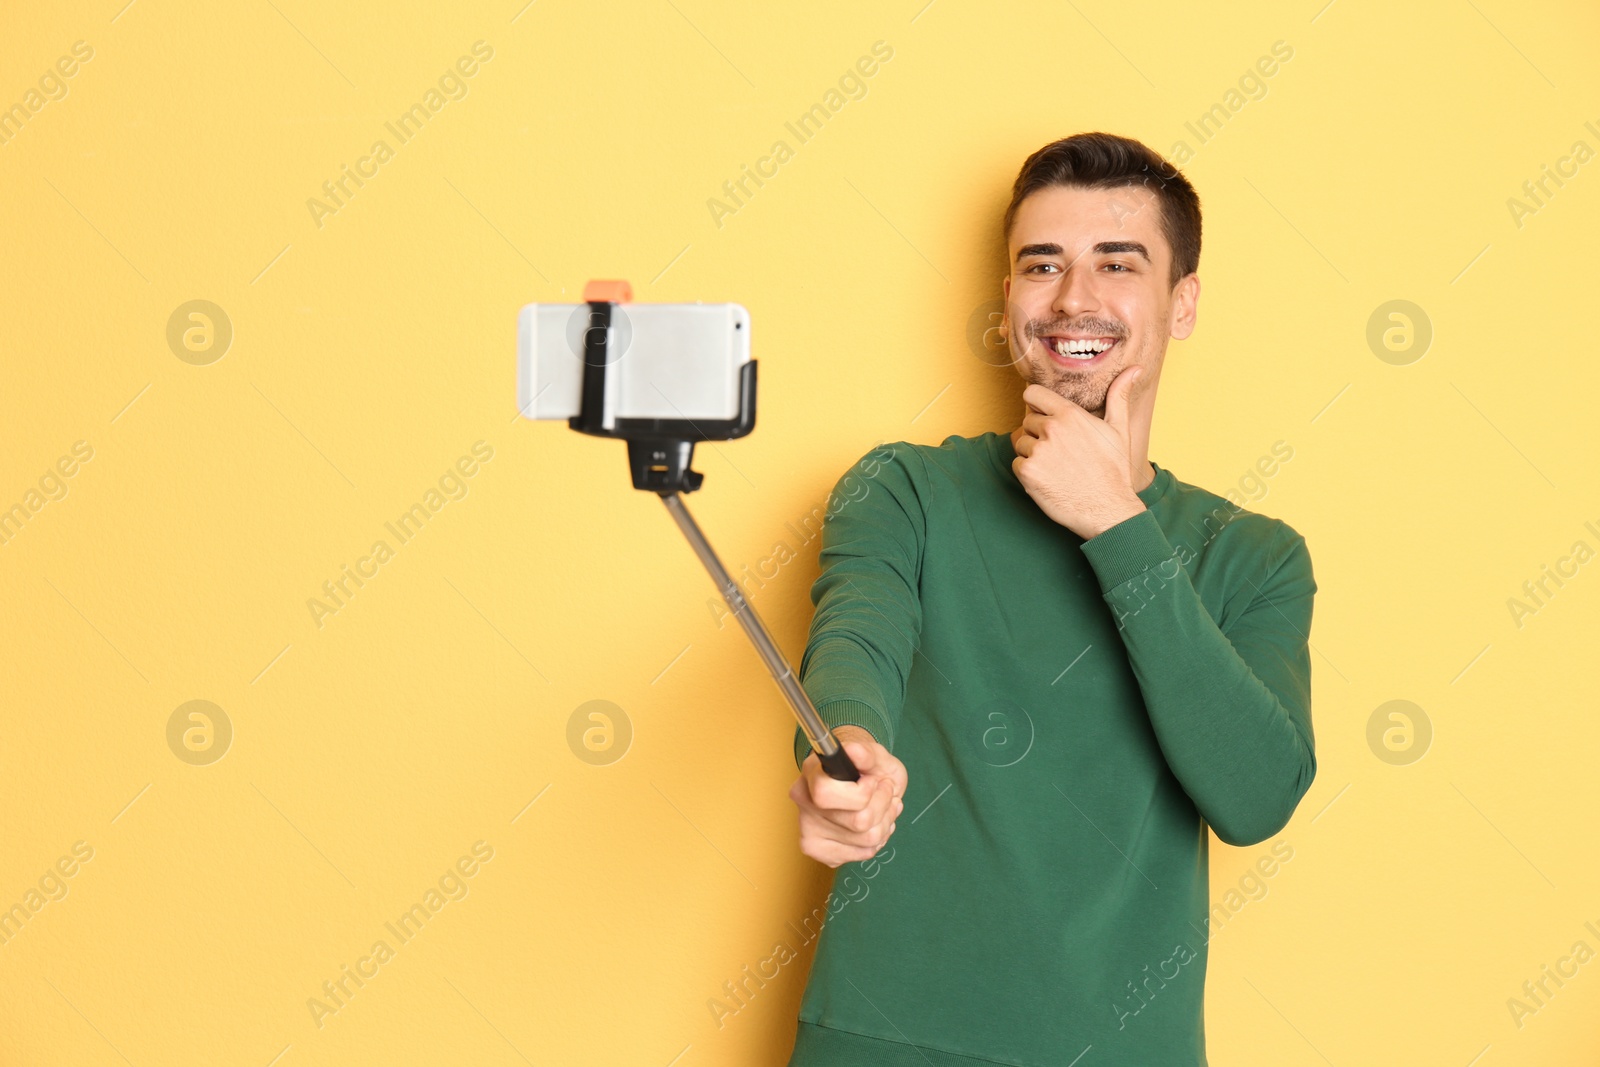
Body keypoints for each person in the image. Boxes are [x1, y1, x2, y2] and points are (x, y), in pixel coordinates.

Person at [785, 131, 1318, 1066]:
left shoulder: (1255, 558)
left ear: (1181, 303)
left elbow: (1258, 796)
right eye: (1043, 265)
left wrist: (1115, 520)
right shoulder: (903, 490)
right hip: (880, 1042)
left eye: (1119, 263)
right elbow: (853, 643)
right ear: (1008, 305)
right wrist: (847, 755)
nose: (1074, 298)